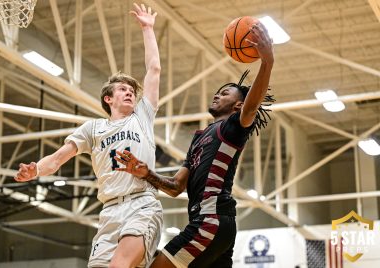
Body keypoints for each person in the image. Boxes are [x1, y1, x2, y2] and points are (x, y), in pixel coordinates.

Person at [114, 22, 275, 268]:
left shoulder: (232, 128)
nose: (217, 94)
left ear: (238, 106)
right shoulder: (200, 138)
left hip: (210, 221)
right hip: (213, 224)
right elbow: (176, 187)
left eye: (226, 93)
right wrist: (146, 173)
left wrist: (267, 61)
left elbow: (252, 105)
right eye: (219, 91)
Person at [14, 3, 162, 268]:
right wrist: (35, 170)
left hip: (141, 203)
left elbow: (153, 70)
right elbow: (58, 159)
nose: (129, 92)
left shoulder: (142, 116)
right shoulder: (92, 129)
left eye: (131, 90)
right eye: (122, 89)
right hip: (109, 211)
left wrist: (148, 29)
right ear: (108, 98)